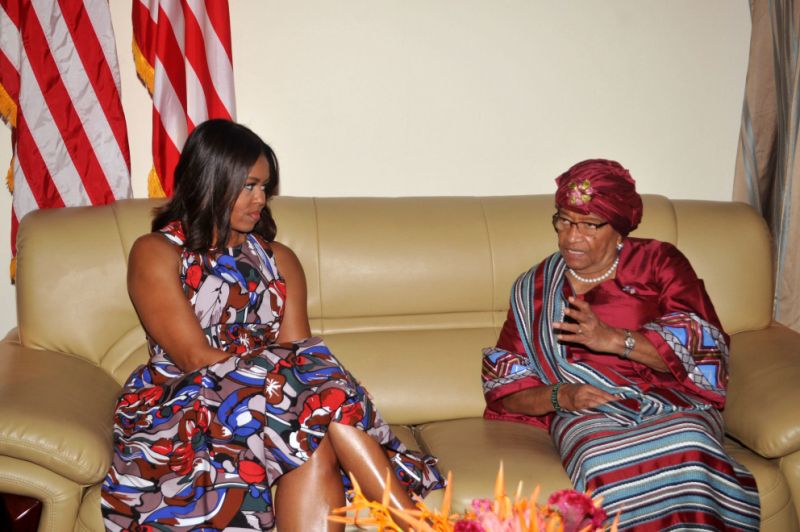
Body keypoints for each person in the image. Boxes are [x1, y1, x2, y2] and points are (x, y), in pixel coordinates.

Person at [101, 119, 445, 531]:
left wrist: (290, 388)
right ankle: (413, 522)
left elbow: (300, 350)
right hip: (185, 403)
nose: (260, 199)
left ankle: (413, 524)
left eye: (264, 187)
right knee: (309, 399)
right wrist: (286, 382)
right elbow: (193, 356)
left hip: (278, 403)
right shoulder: (156, 252)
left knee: (310, 437)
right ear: (211, 181)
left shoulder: (279, 259)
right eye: (248, 185)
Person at [481, 159, 760, 531]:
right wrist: (563, 396)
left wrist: (613, 339)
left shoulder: (659, 263)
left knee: (688, 444)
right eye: (563, 221)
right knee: (598, 458)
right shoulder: (534, 289)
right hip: (587, 415)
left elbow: (704, 354)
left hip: (671, 403)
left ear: (619, 230)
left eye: (589, 225)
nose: (570, 237)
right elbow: (506, 388)